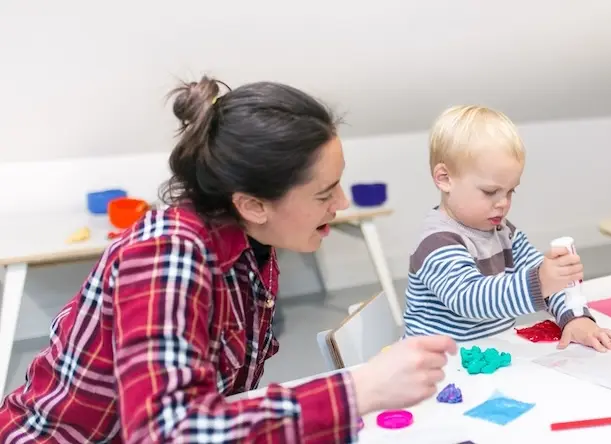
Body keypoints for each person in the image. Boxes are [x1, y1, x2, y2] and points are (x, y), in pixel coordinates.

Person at [0, 76, 456, 443]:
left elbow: (221, 400)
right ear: (253, 204)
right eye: (323, 193)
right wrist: (360, 389)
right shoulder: (166, 253)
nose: (339, 203)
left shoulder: (252, 243)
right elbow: (169, 430)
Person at [403, 105, 611, 351]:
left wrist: (575, 317)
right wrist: (540, 282)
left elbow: (543, 278)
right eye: (490, 192)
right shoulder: (437, 241)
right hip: (434, 368)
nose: (503, 203)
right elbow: (470, 300)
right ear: (444, 179)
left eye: (510, 191)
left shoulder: (504, 232)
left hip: (488, 356)